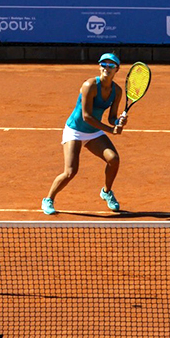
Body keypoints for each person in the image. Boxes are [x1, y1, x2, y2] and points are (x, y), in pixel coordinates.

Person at [42, 52, 126, 216]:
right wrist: (111, 130)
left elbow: (111, 117)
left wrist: (118, 122)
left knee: (113, 159)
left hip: (93, 132)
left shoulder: (117, 91)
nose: (106, 68)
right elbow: (87, 116)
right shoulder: (90, 85)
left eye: (111, 66)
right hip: (75, 131)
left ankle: (106, 192)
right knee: (70, 171)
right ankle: (48, 199)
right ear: (99, 66)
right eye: (103, 65)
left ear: (117, 69)